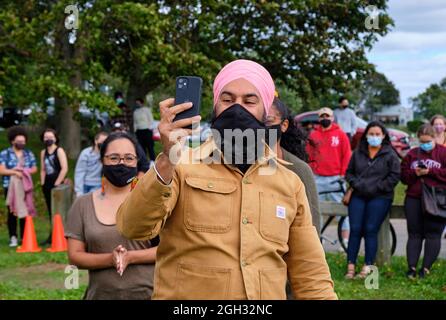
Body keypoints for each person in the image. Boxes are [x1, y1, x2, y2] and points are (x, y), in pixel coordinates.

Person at [116, 59, 337, 300]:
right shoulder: (181, 166)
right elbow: (133, 227)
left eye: (249, 101)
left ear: (265, 112)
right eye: (228, 100)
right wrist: (167, 159)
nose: (237, 109)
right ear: (215, 106)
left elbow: (311, 274)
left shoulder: (289, 182)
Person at [66, 132, 157, 300]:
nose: (121, 163)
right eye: (114, 158)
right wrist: (110, 259)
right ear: (102, 160)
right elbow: (75, 256)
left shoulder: (151, 202)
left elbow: (169, 249)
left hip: (149, 294)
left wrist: (131, 257)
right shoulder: (82, 204)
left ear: (137, 161)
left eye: (129, 158)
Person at [344, 121, 400, 279]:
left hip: (380, 196)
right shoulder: (358, 152)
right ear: (366, 135)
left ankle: (368, 265)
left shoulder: (390, 154)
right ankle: (350, 265)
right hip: (359, 195)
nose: (374, 137)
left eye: (377, 134)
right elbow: (349, 173)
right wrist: (357, 184)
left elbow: (395, 176)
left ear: (383, 136)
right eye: (371, 134)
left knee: (370, 229)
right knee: (355, 229)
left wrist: (378, 187)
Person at [266, 97, 320, 235]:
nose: (262, 128)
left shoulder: (299, 170)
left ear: (284, 125)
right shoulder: (242, 165)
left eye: (268, 122)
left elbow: (311, 226)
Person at [401, 124, 446, 279]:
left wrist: (431, 171)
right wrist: (415, 173)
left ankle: (426, 268)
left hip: (437, 199)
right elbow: (404, 177)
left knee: (433, 234)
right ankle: (411, 267)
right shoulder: (412, 154)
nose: (425, 144)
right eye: (422, 142)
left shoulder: (443, 153)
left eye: (428, 141)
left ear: (434, 138)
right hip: (414, 198)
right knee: (414, 234)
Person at [306, 107, 352, 247]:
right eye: (322, 116)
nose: (325, 118)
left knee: (342, 212)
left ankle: (345, 242)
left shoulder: (340, 134)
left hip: (335, 179)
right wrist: (311, 171)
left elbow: (347, 155)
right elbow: (309, 155)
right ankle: (317, 240)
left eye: (328, 116)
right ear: (319, 119)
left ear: (332, 118)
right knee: (316, 210)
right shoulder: (313, 135)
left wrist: (343, 174)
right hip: (318, 179)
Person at [0, 126, 38, 247]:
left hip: (26, 186)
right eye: (19, 141)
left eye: (23, 141)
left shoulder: (28, 154)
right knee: (12, 211)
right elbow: (2, 170)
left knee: (25, 211)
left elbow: (34, 168)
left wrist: (24, 171)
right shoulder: (5, 154)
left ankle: (24, 236)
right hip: (10, 186)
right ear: (12, 141)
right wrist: (15, 172)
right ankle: (13, 237)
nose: (22, 143)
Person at [40, 129, 68, 245]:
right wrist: (42, 183)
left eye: (50, 137)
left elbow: (64, 168)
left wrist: (57, 182)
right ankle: (52, 236)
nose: (48, 139)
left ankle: (61, 235)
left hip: (57, 184)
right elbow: (42, 169)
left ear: (55, 138)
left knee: (58, 211)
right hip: (47, 183)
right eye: (46, 137)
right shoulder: (43, 152)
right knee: (50, 211)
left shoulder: (59, 150)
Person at [74, 131, 109, 197]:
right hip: (85, 184)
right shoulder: (86, 153)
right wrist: (78, 191)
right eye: (102, 141)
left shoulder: (108, 154)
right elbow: (80, 171)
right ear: (96, 141)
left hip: (99, 185)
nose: (104, 144)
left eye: (106, 142)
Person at [133, 98, 156, 162]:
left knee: (150, 146)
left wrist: (150, 127)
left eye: (138, 103)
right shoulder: (135, 112)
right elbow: (135, 122)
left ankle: (152, 160)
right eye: (136, 103)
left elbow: (151, 119)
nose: (137, 104)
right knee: (142, 146)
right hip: (139, 131)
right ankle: (144, 160)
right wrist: (135, 130)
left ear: (142, 103)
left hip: (147, 130)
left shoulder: (147, 110)